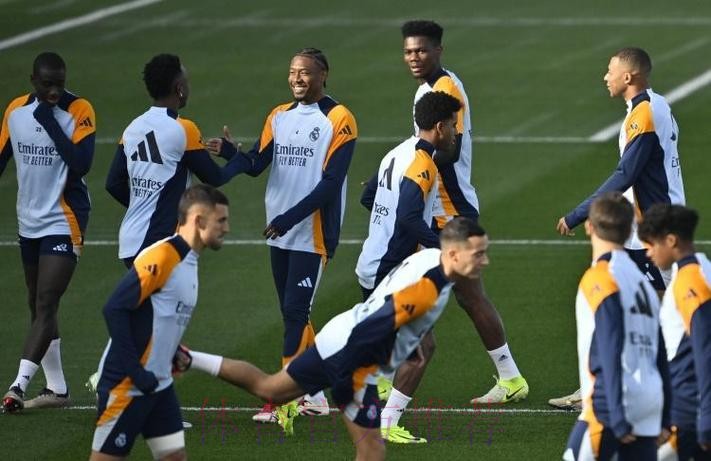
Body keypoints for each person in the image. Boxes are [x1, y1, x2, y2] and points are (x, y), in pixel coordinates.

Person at [184, 217, 489, 461]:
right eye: (478, 254)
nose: (484, 261)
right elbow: (375, 327)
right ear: (453, 254)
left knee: (271, 389)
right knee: (372, 451)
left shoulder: (429, 259)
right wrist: (348, 378)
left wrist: (408, 348)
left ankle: (188, 357)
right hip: (353, 357)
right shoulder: (428, 290)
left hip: (338, 333)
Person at [373, 20, 528, 443]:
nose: (413, 58)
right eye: (408, 51)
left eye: (421, 50)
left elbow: (449, 149)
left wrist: (412, 167)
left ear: (439, 50)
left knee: (409, 291)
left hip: (448, 210)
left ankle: (386, 384)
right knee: (465, 295)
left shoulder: (445, 89)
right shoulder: (428, 89)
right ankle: (510, 377)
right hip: (439, 209)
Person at [206, 47, 357, 422]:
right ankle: (316, 394)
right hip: (279, 230)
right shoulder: (279, 115)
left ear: (323, 75)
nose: (297, 79)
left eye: (305, 72)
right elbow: (257, 163)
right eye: (292, 72)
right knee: (294, 314)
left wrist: (290, 217)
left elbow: (331, 184)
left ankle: (285, 400)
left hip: (312, 231)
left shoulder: (339, 119)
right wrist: (231, 153)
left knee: (294, 313)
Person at [552, 46, 685, 410]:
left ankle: (655, 388)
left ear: (628, 76)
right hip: (645, 228)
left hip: (654, 230)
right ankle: (595, 384)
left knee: (666, 311)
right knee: (620, 300)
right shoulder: (653, 106)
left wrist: (581, 213)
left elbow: (626, 174)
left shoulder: (645, 113)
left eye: (610, 70)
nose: (605, 77)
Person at [89, 184, 230, 460]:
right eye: (221, 220)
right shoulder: (163, 256)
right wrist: (136, 373)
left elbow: (159, 317)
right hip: (127, 385)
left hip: (159, 384)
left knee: (174, 457)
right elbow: (114, 308)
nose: (227, 228)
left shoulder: (189, 260)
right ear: (199, 220)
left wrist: (172, 352)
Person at [0, 52, 96, 412]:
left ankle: (17, 386)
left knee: (46, 301)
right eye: (47, 85)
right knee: (35, 302)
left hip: (64, 218)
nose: (54, 91)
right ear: (33, 81)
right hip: (29, 220)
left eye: (59, 83)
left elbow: (82, 163)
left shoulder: (79, 110)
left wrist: (50, 122)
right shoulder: (16, 111)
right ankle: (57, 388)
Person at [105, 53, 244, 267]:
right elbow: (215, 178)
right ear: (179, 88)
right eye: (186, 82)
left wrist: (145, 205)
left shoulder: (133, 128)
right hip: (160, 240)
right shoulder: (184, 129)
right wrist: (237, 159)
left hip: (130, 241)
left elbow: (113, 184)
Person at [563, 192, 671, 461]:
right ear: (630, 230)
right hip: (649, 402)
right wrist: (666, 415)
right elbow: (660, 348)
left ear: (589, 226)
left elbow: (610, 346)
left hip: (611, 404)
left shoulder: (599, 278)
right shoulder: (644, 283)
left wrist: (615, 415)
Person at [638, 204, 711, 460]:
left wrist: (706, 417)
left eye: (651, 245)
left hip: (689, 408)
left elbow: (705, 349)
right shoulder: (703, 268)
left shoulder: (689, 283)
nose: (648, 253)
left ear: (671, 241)